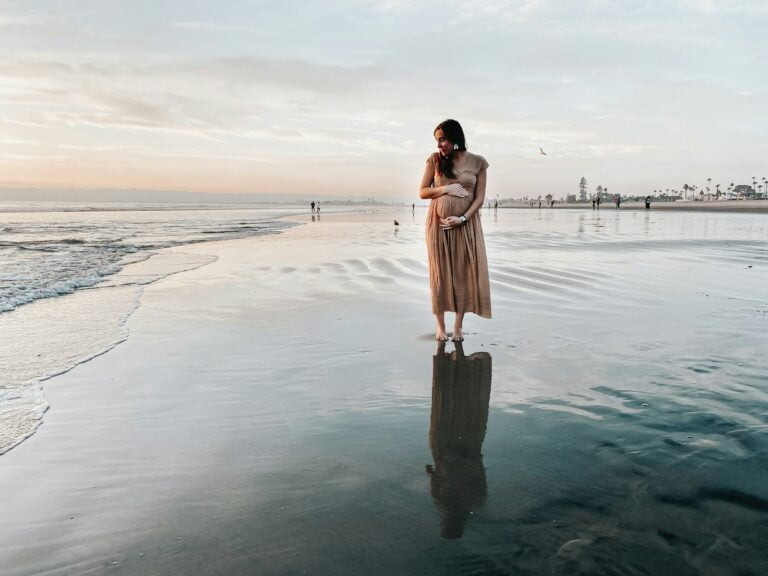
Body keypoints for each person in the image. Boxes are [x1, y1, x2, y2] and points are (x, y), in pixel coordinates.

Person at [419, 119, 491, 341]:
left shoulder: (478, 163)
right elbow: (422, 192)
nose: (440, 144)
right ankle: (441, 326)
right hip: (438, 227)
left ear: (455, 137)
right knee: (440, 275)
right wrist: (445, 188)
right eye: (437, 140)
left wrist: (462, 218)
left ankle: (458, 327)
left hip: (466, 226)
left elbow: (479, 198)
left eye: (443, 139)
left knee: (462, 273)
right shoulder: (435, 160)